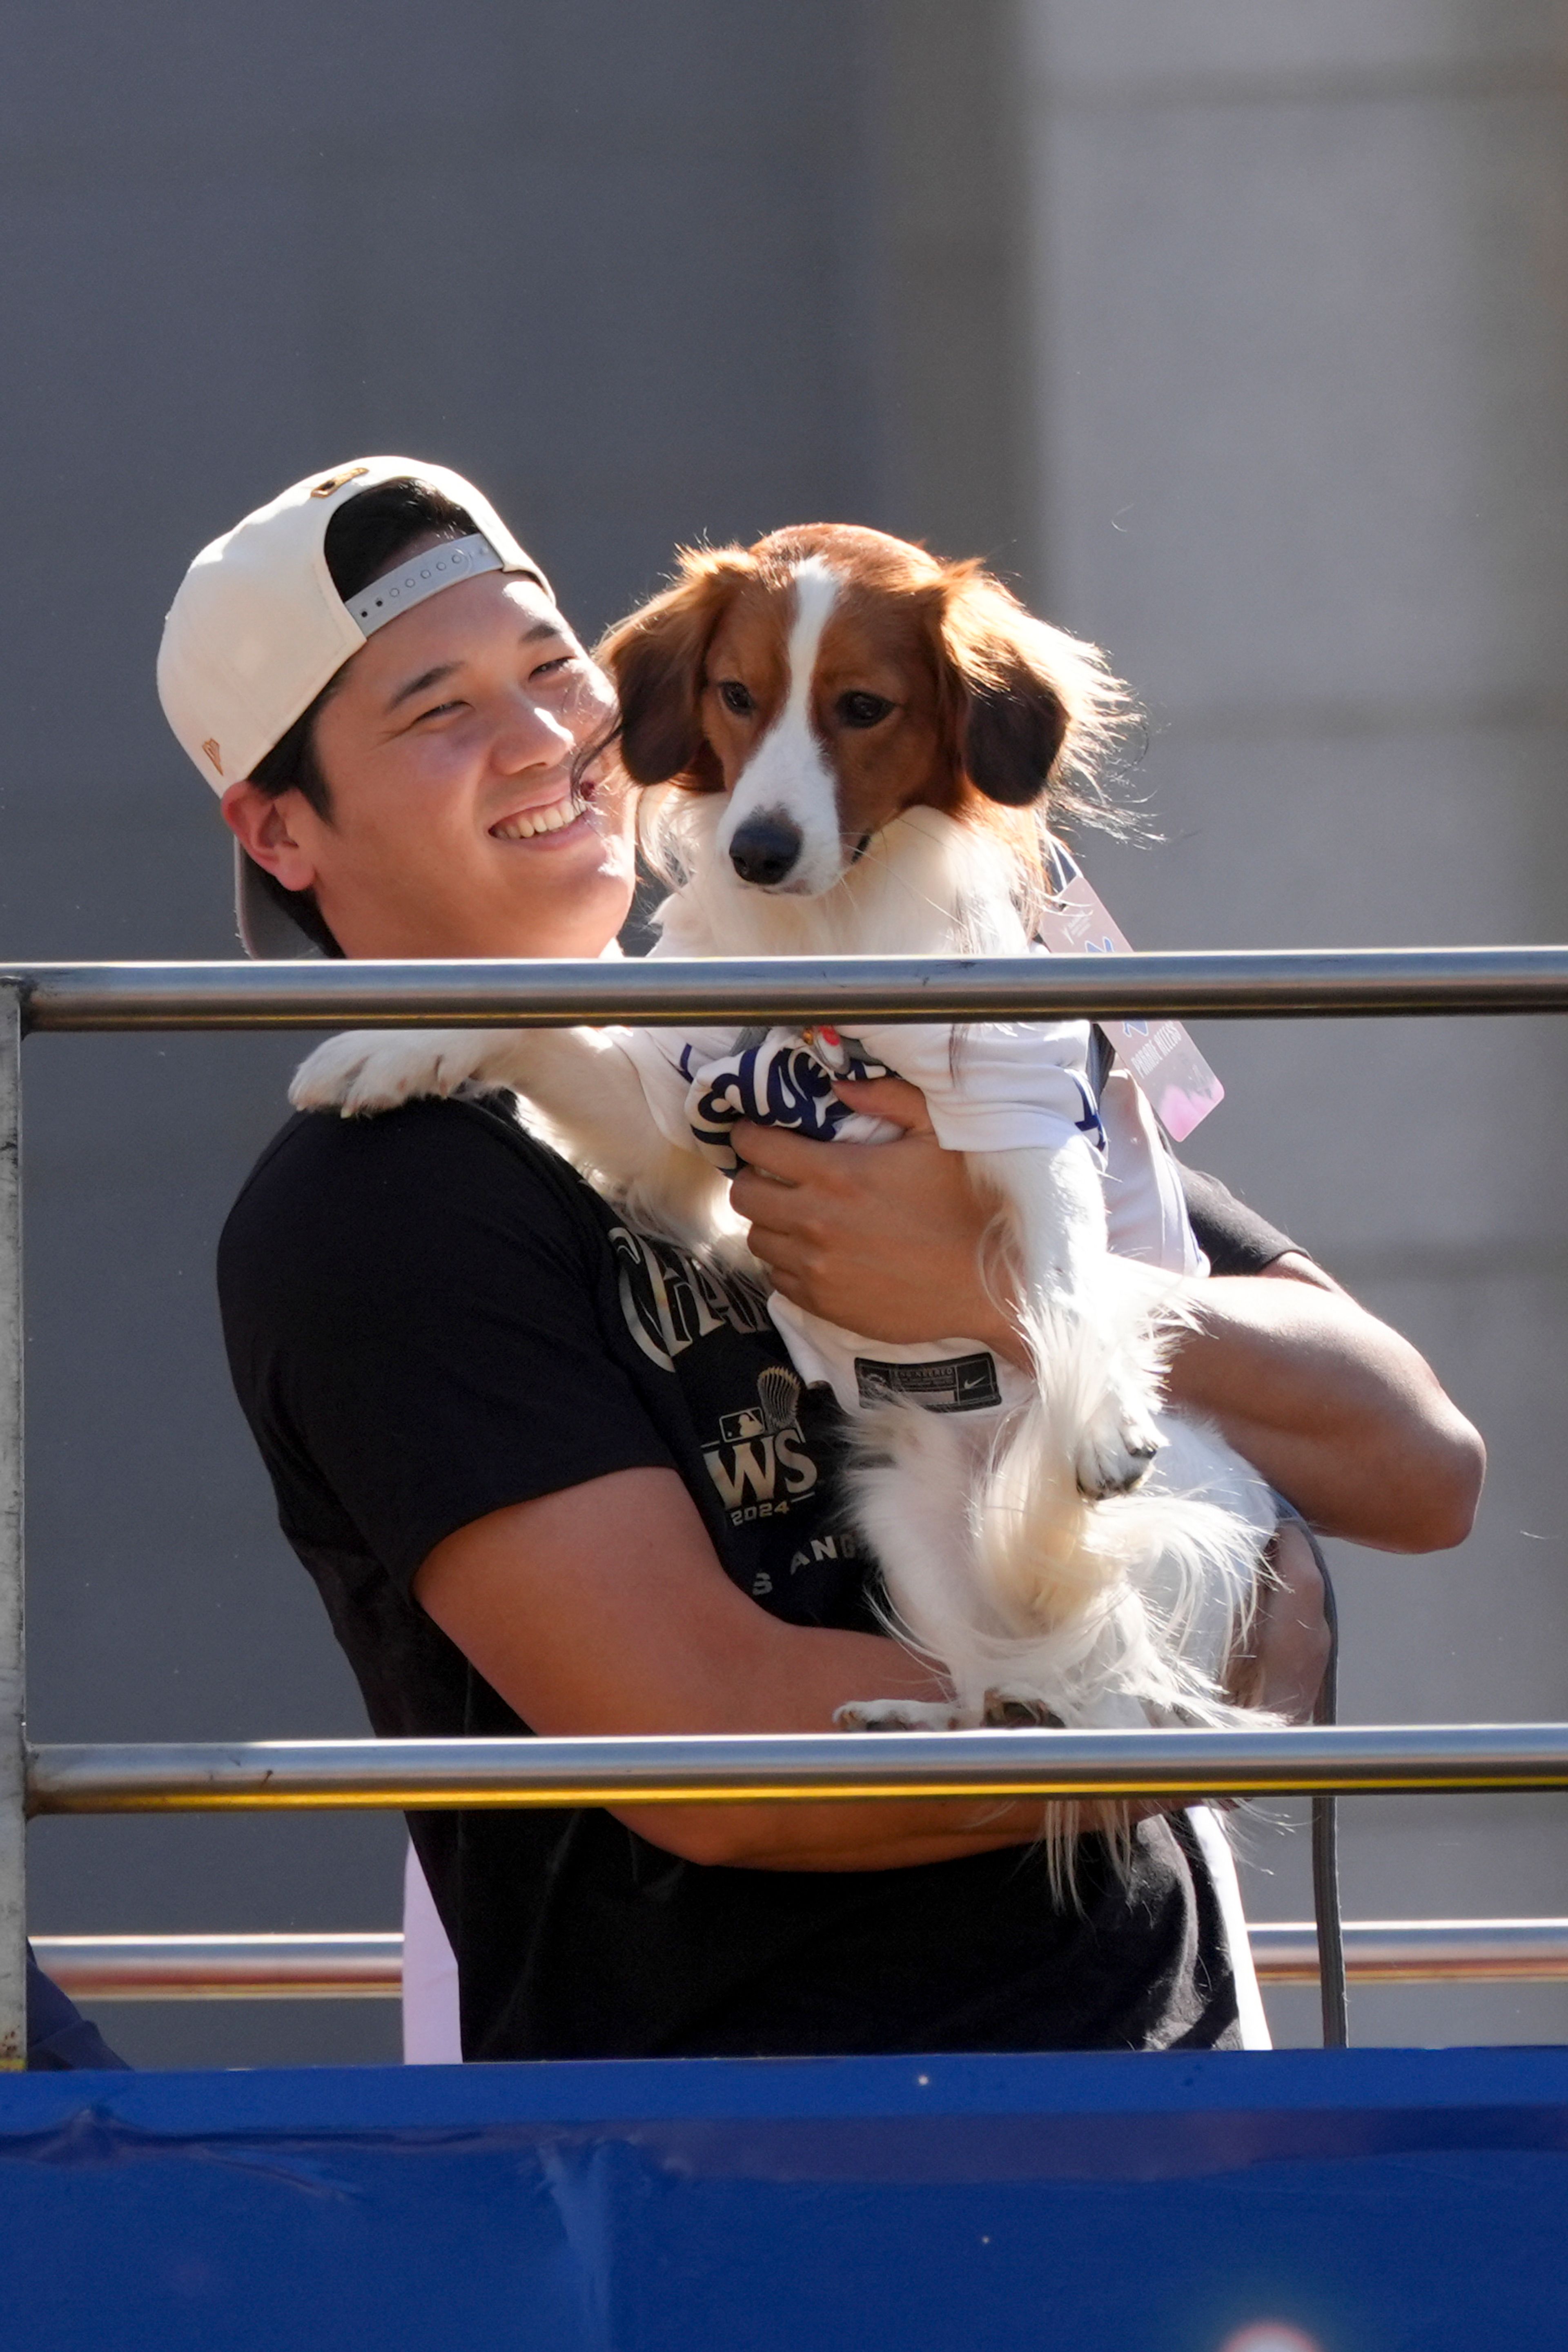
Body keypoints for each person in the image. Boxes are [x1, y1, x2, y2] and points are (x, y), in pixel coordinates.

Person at [158, 458, 1484, 2062]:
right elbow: (717, 1754)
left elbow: (1417, 1465)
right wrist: (1167, 1705)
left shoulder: (834, 987)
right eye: (438, 710)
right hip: (760, 2184)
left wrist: (1004, 1293)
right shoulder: (376, 1207)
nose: (542, 737)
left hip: (1172, 2121)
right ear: (279, 830)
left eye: (548, 663)